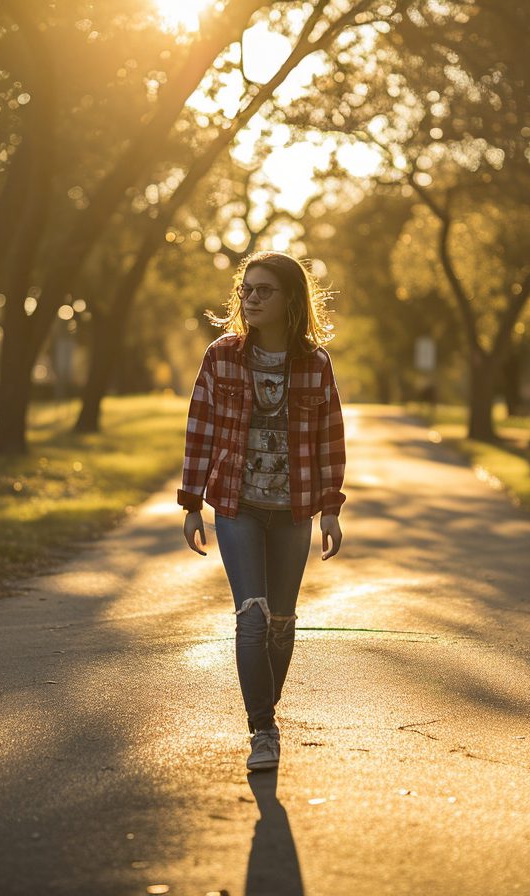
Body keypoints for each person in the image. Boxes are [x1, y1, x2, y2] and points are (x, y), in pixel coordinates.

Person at [178, 250, 346, 772]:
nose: (251, 298)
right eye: (246, 289)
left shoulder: (314, 364)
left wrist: (330, 509)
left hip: (293, 511)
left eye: (264, 291)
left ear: (291, 299)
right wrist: (191, 502)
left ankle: (264, 714)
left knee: (282, 621)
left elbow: (328, 440)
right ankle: (263, 729)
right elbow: (199, 427)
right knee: (253, 615)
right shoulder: (222, 356)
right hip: (237, 507)